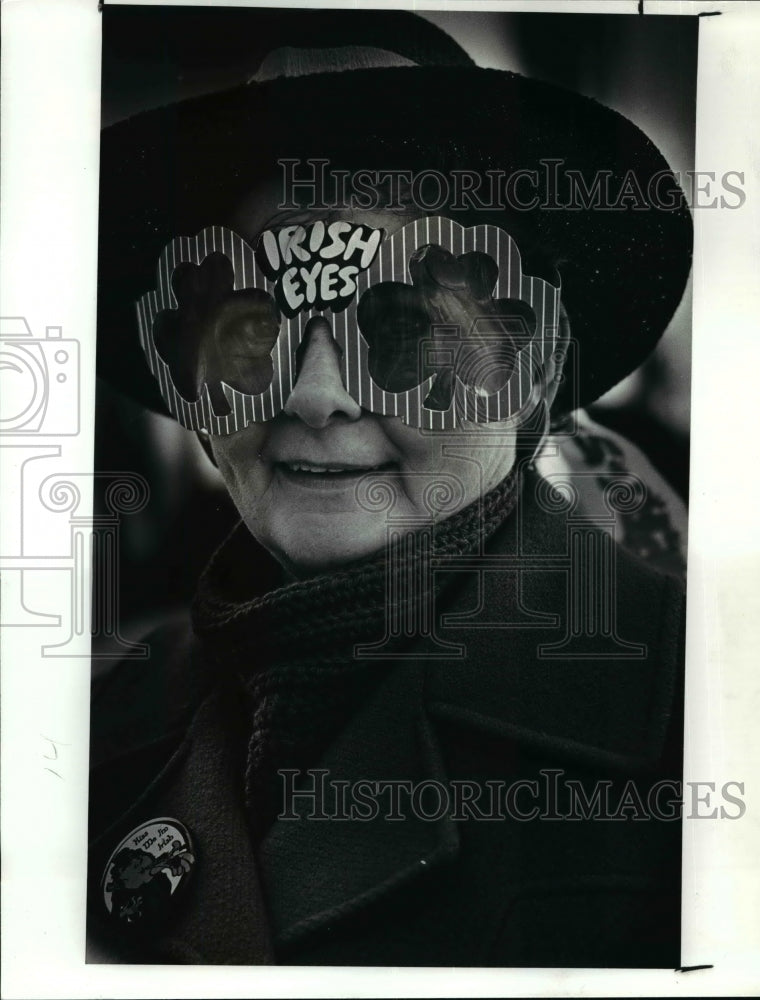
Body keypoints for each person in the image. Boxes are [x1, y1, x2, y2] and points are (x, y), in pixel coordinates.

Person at [88, 10, 692, 966]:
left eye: (403, 328)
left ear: (531, 370)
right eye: (254, 329)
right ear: (193, 384)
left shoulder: (703, 734)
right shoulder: (92, 727)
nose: (316, 396)